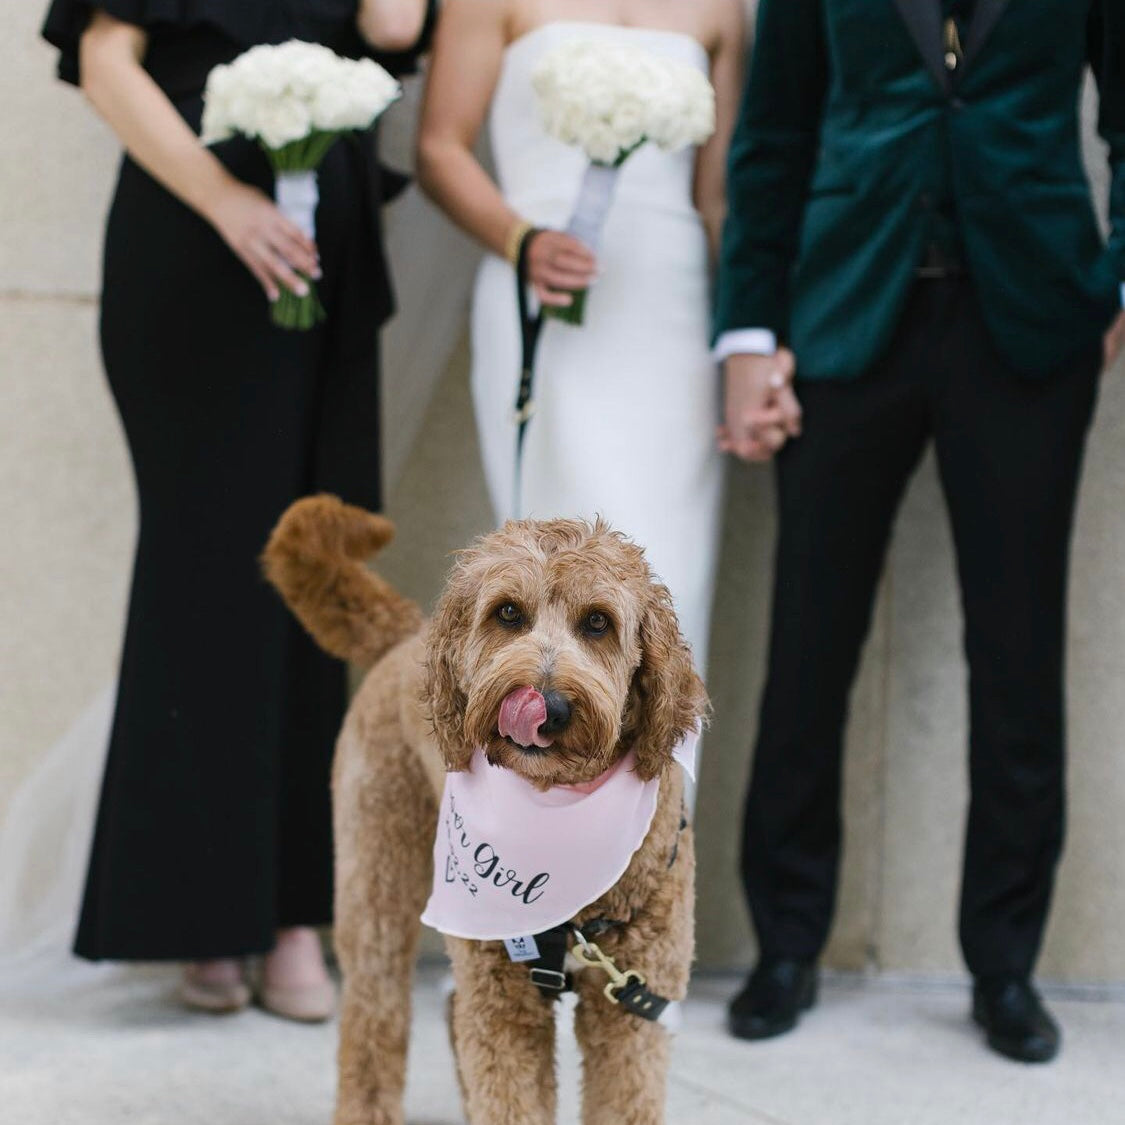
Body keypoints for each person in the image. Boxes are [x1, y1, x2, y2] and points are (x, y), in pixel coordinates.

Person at [715, 0, 1125, 1063]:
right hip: (846, 321)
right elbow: (774, 134)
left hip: (1030, 331)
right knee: (809, 646)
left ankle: (1006, 967)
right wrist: (750, 333)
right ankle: (787, 945)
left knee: (1019, 655)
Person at [39, 0, 431, 1019]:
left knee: (315, 575)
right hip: (193, 235)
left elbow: (394, 30)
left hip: (327, 248)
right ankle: (200, 916)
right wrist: (224, 200)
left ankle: (296, 912)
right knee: (207, 571)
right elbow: (103, 58)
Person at [414, 0, 744, 674]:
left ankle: (662, 779)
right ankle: (536, 765)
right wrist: (519, 240)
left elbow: (718, 198)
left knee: (669, 573)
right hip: (539, 291)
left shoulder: (720, 9)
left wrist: (745, 338)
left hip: (670, 311)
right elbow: (439, 148)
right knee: (545, 571)